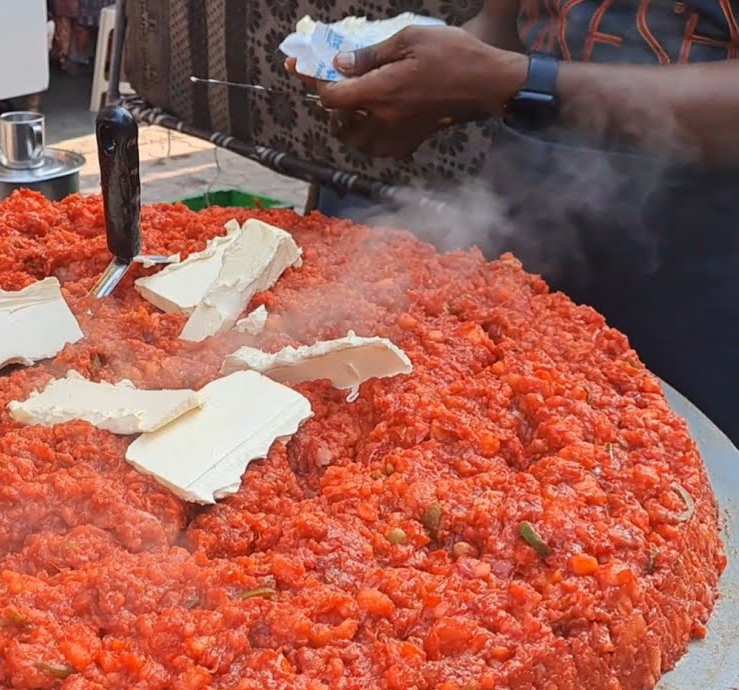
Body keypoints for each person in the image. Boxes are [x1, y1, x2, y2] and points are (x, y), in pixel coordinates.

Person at [289, 0, 739, 441]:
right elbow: (503, 24)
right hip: (524, 212)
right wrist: (425, 85)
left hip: (702, 262)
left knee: (687, 452)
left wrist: (513, 81)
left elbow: (506, 71)